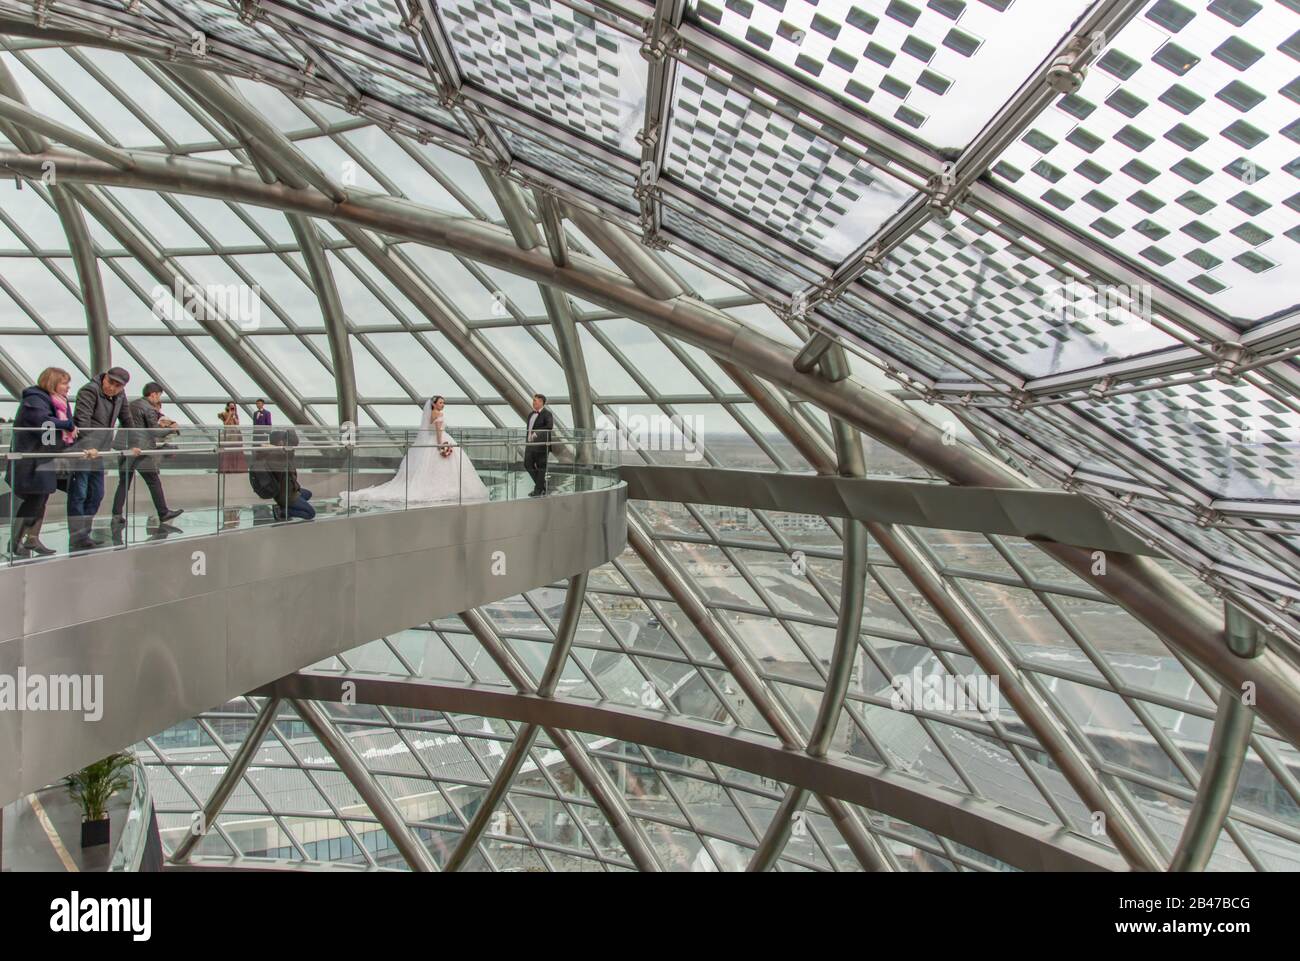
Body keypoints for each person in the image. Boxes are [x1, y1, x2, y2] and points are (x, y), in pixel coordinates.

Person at [7, 367, 92, 558]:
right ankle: (14, 542)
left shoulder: (56, 403)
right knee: (33, 500)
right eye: (64, 383)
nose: (68, 387)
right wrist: (67, 425)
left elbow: (49, 429)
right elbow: (42, 422)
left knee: (40, 499)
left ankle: (31, 539)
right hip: (31, 461)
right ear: (52, 382)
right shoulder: (35, 399)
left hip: (42, 459)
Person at [346, 396, 489, 508]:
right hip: (439, 440)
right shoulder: (438, 414)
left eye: (443, 403)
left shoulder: (430, 414)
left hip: (430, 441)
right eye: (440, 403)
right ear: (434, 404)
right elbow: (439, 431)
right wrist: (442, 444)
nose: (442, 405)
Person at [67, 366, 139, 551]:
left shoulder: (120, 396)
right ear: (105, 377)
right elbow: (82, 419)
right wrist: (88, 445)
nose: (112, 388)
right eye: (110, 383)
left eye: (118, 386)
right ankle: (77, 537)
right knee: (80, 493)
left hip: (101, 452)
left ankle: (84, 534)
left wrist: (135, 442)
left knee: (96, 494)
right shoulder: (89, 390)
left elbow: (127, 419)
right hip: (86, 451)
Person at [111, 381, 184, 534]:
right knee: (153, 481)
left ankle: (116, 515)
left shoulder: (132, 405)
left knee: (124, 483)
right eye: (159, 396)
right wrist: (171, 429)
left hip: (124, 447)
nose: (159, 399)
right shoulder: (148, 408)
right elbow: (154, 432)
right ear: (154, 394)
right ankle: (163, 513)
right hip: (140, 450)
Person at [250, 429, 314, 520]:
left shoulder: (279, 453)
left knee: (308, 494)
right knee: (310, 513)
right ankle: (282, 511)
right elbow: (293, 446)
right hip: (285, 495)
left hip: (288, 489)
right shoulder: (276, 455)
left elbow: (292, 447)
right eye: (286, 441)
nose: (290, 445)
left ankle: (288, 506)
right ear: (280, 442)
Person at [218, 402, 248, 529]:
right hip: (228, 434)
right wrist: (230, 415)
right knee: (228, 452)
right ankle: (228, 467)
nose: (232, 408)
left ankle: (236, 467)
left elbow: (237, 424)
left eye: (233, 407)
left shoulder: (236, 415)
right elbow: (225, 424)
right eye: (231, 407)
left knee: (236, 451)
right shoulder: (224, 414)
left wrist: (235, 417)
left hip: (235, 434)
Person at [524, 393, 556, 497]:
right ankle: (542, 487)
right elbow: (528, 430)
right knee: (527, 464)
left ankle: (538, 491)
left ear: (541, 402)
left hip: (542, 446)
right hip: (530, 445)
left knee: (542, 467)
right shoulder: (530, 414)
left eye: (535, 401)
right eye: (533, 400)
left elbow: (549, 426)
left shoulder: (547, 414)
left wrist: (537, 433)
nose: (533, 402)